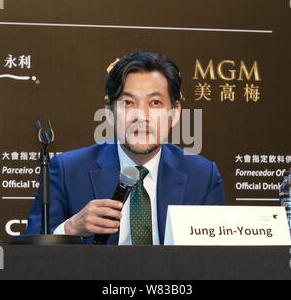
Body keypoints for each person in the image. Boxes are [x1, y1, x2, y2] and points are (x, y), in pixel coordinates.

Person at [26, 51, 225, 244]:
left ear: (175, 113)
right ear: (110, 113)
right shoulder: (67, 170)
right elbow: (30, 255)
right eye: (128, 103)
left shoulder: (203, 175)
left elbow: (217, 260)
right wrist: (71, 228)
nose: (141, 116)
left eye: (155, 103)